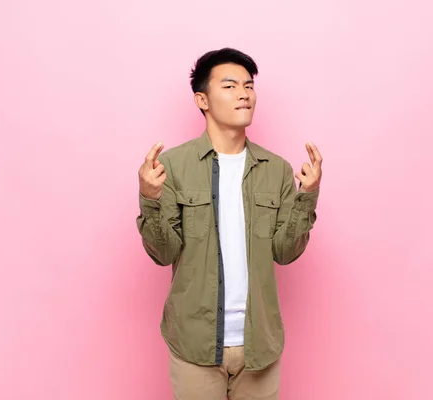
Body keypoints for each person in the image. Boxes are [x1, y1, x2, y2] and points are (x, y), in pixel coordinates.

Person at [136, 47, 321, 400]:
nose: (244, 94)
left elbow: (285, 252)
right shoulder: (173, 167)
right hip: (195, 345)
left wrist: (307, 195)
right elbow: (163, 254)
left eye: (249, 86)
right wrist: (149, 196)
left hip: (259, 345)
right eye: (231, 85)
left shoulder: (277, 169)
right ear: (202, 100)